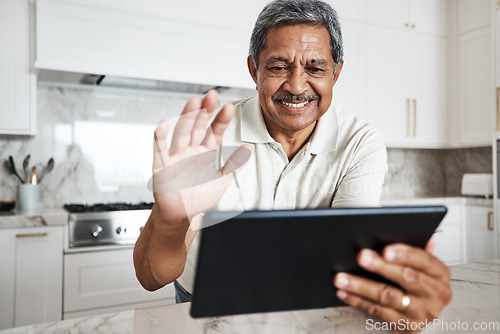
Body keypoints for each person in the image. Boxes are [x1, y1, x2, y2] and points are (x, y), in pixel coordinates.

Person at [134, 0, 452, 330]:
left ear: (336, 72)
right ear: (254, 70)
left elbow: (351, 259)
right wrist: (171, 219)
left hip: (304, 301)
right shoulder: (213, 138)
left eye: (315, 68)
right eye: (278, 67)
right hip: (205, 303)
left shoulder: (360, 142)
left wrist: (396, 297)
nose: (297, 86)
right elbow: (151, 277)